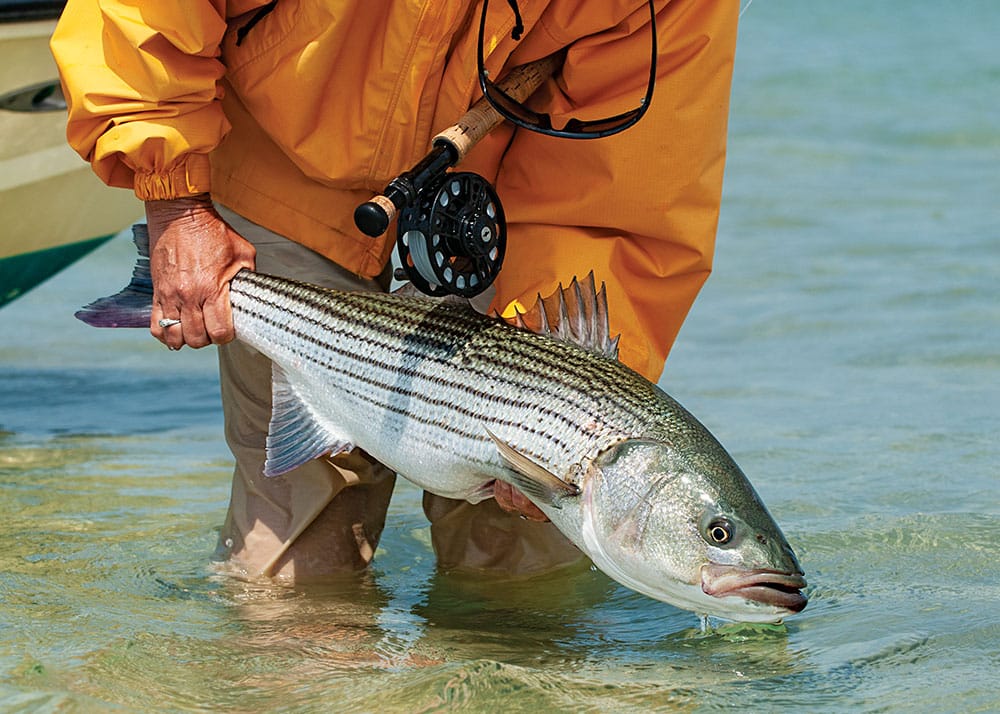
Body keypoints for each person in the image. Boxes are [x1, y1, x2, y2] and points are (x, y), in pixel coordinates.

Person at [51, 1, 738, 581]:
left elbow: (626, 196)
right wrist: (175, 200)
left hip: (493, 216)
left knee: (534, 578)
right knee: (293, 569)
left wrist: (559, 410)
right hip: (280, 173)